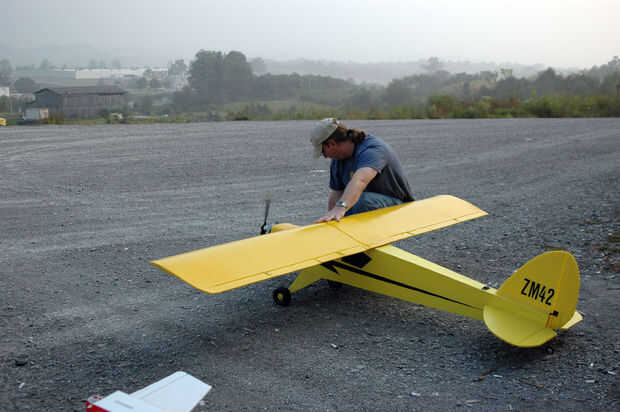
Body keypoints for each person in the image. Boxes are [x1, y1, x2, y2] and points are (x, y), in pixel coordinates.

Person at [310, 118, 414, 223]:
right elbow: (336, 193)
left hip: (399, 208)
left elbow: (361, 180)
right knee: (350, 204)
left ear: (331, 144)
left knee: (359, 202)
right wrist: (329, 219)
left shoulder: (373, 149)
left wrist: (340, 207)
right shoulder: (338, 161)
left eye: (323, 152)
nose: (325, 156)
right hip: (369, 205)